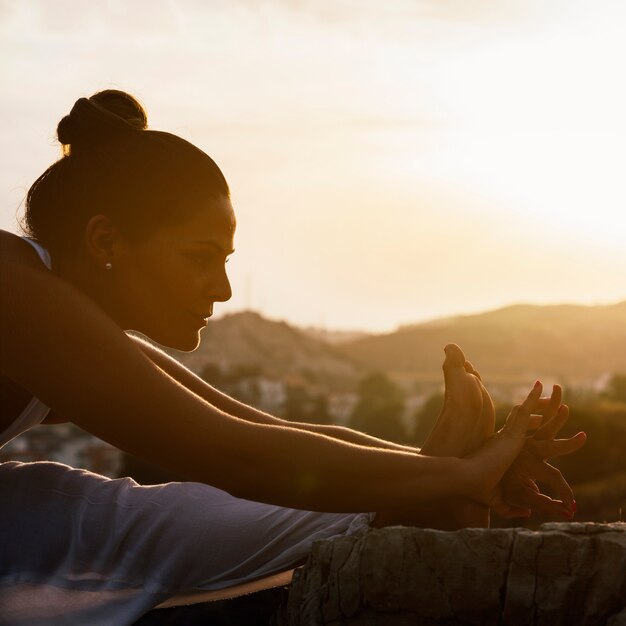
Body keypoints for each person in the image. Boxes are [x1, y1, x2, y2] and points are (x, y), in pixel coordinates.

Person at [0, 90, 586, 625]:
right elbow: (234, 455)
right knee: (126, 525)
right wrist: (461, 473)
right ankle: (429, 494)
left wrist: (459, 465)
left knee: (160, 516)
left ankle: (426, 497)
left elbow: (265, 429)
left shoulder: (69, 317)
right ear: (106, 242)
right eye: (200, 256)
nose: (223, 288)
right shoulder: (15, 290)